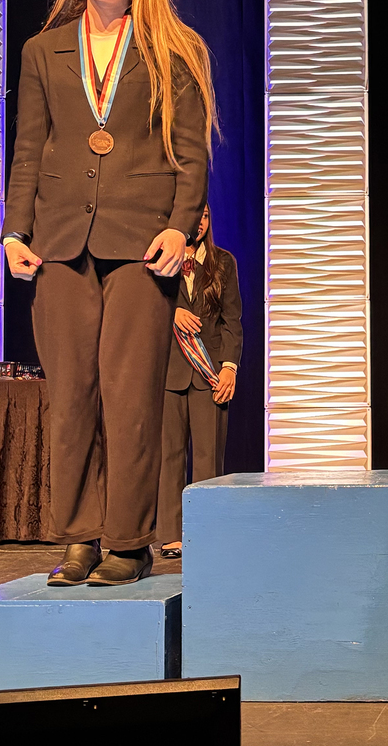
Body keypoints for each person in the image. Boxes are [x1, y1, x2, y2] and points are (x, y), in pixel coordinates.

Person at [2, 0, 216, 586]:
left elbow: (190, 154)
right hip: (61, 240)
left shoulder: (173, 48)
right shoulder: (44, 51)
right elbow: (30, 147)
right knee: (69, 396)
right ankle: (79, 537)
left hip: (141, 242)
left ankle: (128, 540)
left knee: (129, 397)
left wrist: (181, 227)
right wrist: (14, 229)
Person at [156, 203, 243, 557]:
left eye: (206, 215)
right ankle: (171, 535)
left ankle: (207, 529)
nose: (200, 222)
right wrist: (171, 313)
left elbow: (232, 321)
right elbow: (141, 312)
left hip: (209, 372)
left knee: (208, 457)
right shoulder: (160, 259)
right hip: (170, 371)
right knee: (170, 456)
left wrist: (229, 367)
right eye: (196, 215)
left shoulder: (224, 262)